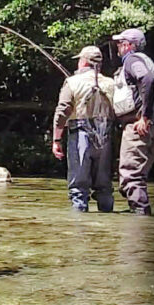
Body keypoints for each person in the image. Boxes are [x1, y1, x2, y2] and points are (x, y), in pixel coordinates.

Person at [112, 28, 154, 216]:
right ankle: (141, 217)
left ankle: (140, 224)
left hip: (141, 126)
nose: (118, 47)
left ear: (129, 45)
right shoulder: (148, 62)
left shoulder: (132, 60)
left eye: (120, 43)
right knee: (136, 179)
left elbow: (147, 79)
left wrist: (144, 117)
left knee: (131, 178)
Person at [52, 45, 115, 212]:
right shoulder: (111, 83)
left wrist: (56, 139)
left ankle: (80, 226)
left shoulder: (72, 82)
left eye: (80, 59)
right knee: (104, 186)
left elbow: (62, 111)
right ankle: (108, 218)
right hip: (106, 135)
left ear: (84, 62)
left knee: (78, 186)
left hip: (80, 133)